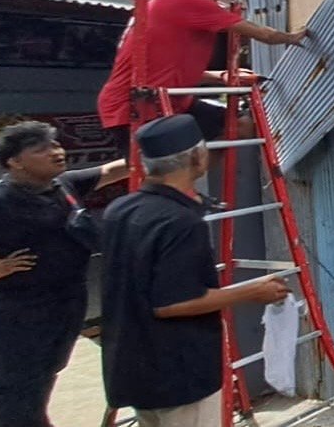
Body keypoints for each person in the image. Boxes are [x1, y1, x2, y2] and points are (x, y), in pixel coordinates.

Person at [101, 114, 289, 427]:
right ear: (195, 157)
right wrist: (253, 292)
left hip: (132, 367)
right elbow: (171, 304)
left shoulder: (120, 209)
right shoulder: (179, 221)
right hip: (177, 374)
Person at [0, 121, 128, 427]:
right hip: (10, 313)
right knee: (10, 388)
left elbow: (111, 172)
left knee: (40, 378)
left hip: (61, 303)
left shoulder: (63, 186)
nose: (57, 152)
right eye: (42, 150)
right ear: (15, 162)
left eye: (56, 145)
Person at [97, 0, 308, 156]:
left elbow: (167, 66)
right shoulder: (188, 1)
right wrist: (296, 36)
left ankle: (184, 183)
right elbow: (265, 35)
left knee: (240, 126)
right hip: (137, 104)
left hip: (168, 100)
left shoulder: (166, 3)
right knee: (156, 172)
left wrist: (221, 77)